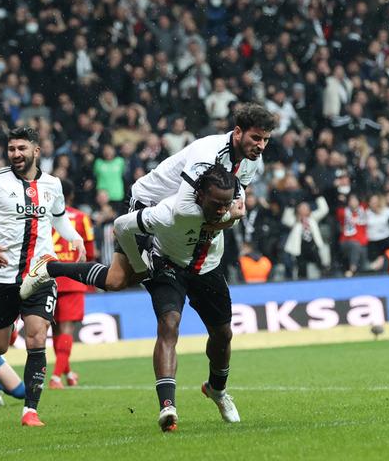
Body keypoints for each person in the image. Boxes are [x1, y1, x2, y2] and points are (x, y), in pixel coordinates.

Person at [20, 103, 276, 299]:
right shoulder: (208, 153)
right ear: (238, 132)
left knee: (135, 276)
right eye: (256, 138)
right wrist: (226, 218)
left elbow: (237, 196)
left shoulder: (252, 160)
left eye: (265, 139)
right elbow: (184, 209)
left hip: (171, 211)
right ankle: (50, 268)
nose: (261, 146)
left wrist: (231, 212)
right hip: (147, 201)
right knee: (116, 280)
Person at [0, 127, 86, 427]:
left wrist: (75, 237)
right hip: (2, 277)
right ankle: (9, 330)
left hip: (39, 275)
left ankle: (30, 410)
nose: (15, 154)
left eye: (21, 148)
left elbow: (58, 219)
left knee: (38, 335)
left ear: (36, 151)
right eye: (11, 149)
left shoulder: (53, 184)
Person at [114, 163, 242, 432]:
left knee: (223, 335)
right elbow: (121, 226)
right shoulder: (168, 212)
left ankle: (217, 390)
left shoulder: (232, 207)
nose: (222, 210)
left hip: (208, 270)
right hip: (168, 266)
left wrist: (232, 210)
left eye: (226, 204)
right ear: (199, 195)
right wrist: (138, 264)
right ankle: (167, 407)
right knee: (168, 325)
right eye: (216, 204)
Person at [49, 179, 96, 389]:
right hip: (73, 278)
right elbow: (90, 251)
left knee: (55, 329)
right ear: (71, 195)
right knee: (67, 329)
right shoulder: (81, 217)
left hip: (49, 277)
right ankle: (55, 377)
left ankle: (67, 372)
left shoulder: (45, 217)